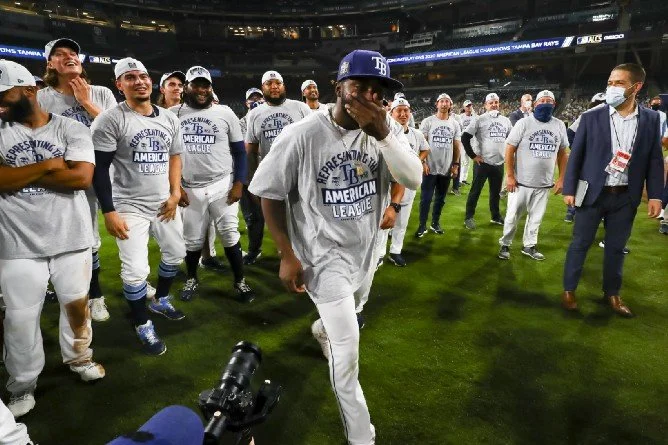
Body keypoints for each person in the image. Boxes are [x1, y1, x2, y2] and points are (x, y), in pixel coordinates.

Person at [249, 49, 421, 445]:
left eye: (378, 90)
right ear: (338, 87)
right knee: (348, 352)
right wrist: (287, 254)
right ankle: (361, 434)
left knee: (356, 306)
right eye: (358, 86)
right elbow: (269, 193)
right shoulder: (302, 134)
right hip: (322, 255)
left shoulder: (383, 130)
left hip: (367, 247)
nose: (368, 97)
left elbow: (412, 179)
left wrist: (383, 134)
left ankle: (323, 328)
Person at [0, 59, 105, 418]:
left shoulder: (71, 129)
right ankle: (22, 383)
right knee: (19, 318)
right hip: (17, 245)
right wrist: (48, 165)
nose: (0, 102)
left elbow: (80, 179)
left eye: (4, 94)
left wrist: (17, 174)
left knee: (77, 308)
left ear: (28, 90)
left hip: (71, 237)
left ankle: (79, 358)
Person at [91, 58, 186, 355]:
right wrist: (109, 210)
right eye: (130, 77)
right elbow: (99, 169)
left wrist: (174, 193)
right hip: (129, 205)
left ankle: (160, 300)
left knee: (176, 253)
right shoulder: (110, 119)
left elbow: (175, 157)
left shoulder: (170, 118)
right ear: (119, 85)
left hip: (164, 203)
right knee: (135, 270)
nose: (139, 81)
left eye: (143, 76)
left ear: (151, 81)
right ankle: (142, 322)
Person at [561, 63, 664, 317]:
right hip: (593, 193)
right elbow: (576, 156)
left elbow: (654, 159)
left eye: (618, 83)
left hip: (625, 196)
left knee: (616, 247)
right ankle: (569, 289)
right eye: (610, 82)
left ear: (636, 87)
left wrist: (656, 195)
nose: (611, 87)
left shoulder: (652, 119)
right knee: (580, 243)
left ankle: (612, 294)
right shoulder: (591, 117)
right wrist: (569, 188)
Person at [37, 37, 118, 322]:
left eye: (73, 53)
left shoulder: (101, 93)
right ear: (50, 64)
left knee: (96, 238)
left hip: (100, 174)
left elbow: (118, 132)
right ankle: (62, 287)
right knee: (62, 235)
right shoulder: (41, 98)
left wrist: (85, 103)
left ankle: (96, 295)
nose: (69, 57)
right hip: (64, 175)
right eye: (60, 54)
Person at [171, 66, 255, 303]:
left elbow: (240, 153)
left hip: (222, 184)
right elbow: (168, 156)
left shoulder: (225, 112)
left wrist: (239, 182)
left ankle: (240, 281)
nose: (201, 89)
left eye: (205, 85)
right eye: (195, 84)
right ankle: (192, 278)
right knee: (193, 240)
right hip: (189, 187)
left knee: (229, 234)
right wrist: (176, 188)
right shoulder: (171, 114)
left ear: (211, 87)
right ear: (186, 87)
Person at [243, 70, 311, 265]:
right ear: (263, 88)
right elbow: (251, 150)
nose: (274, 87)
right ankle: (288, 256)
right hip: (272, 175)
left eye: (278, 83)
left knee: (303, 219)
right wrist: (253, 180)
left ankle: (304, 256)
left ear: (284, 86)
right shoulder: (255, 114)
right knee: (277, 218)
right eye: (269, 83)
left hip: (301, 173)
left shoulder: (300, 108)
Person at [498, 90, 568, 260]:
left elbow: (562, 153)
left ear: (554, 105)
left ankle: (529, 246)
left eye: (549, 101)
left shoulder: (559, 125)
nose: (545, 103)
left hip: (544, 184)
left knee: (536, 218)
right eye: (542, 100)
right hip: (520, 182)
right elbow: (509, 149)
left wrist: (561, 178)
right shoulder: (523, 123)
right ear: (535, 104)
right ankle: (505, 244)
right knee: (512, 216)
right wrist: (510, 176)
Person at [379, 98, 430, 266]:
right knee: (382, 219)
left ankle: (395, 251)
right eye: (398, 110)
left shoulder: (417, 134)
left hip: (406, 185)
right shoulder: (384, 132)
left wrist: (418, 161)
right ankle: (379, 253)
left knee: (402, 222)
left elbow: (425, 149)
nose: (402, 114)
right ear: (391, 113)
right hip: (386, 185)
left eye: (405, 110)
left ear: (410, 113)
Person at [462, 93, 511, 230]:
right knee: (475, 191)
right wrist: (473, 156)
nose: (494, 104)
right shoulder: (479, 119)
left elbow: (512, 140)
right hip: (482, 163)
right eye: (491, 102)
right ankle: (469, 217)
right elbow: (465, 138)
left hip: (499, 163)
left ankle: (495, 216)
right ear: (485, 105)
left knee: (495, 192)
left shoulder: (506, 121)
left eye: (496, 102)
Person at [415, 92, 461, 237]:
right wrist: (422, 162)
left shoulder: (454, 124)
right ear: (437, 104)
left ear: (450, 105)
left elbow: (456, 146)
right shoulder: (428, 121)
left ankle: (435, 223)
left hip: (446, 168)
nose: (444, 103)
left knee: (440, 199)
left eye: (447, 101)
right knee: (426, 199)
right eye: (441, 101)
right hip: (429, 168)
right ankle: (422, 225)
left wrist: (455, 164)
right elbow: (421, 144)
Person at [564, 92, 606, 223]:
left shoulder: (612, 118)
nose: (600, 106)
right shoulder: (587, 116)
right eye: (597, 104)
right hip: (588, 158)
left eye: (602, 103)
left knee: (601, 184)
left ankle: (600, 212)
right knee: (582, 183)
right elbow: (570, 133)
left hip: (602, 158)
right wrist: (578, 151)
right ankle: (571, 210)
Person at [455, 99, 475, 186]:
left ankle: (463, 179)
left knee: (468, 161)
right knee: (463, 160)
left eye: (470, 105)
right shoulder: (460, 117)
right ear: (464, 107)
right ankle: (459, 179)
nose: (469, 107)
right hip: (463, 141)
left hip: (473, 141)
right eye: (467, 106)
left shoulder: (475, 117)